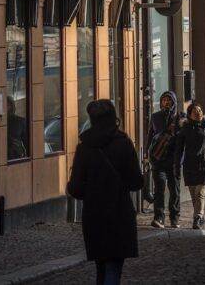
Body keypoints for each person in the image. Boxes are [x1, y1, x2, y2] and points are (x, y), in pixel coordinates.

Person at [67, 99, 144, 285]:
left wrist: (91, 189)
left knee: (101, 267)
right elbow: (136, 182)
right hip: (120, 213)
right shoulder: (124, 144)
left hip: (94, 215)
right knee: (113, 267)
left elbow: (76, 189)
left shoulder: (84, 147)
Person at [145, 91, 184, 228]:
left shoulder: (180, 117)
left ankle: (174, 218)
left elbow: (183, 140)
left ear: (174, 102)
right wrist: (146, 156)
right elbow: (150, 136)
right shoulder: (155, 117)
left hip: (173, 160)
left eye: (169, 100)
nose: (166, 102)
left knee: (174, 190)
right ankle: (159, 218)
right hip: (158, 158)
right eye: (164, 100)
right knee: (159, 189)